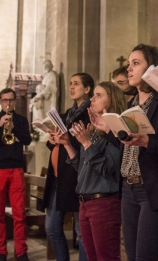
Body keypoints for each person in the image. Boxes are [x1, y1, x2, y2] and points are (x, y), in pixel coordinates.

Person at [120, 44, 158, 261]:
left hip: (154, 188)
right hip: (128, 187)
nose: (129, 69)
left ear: (152, 69)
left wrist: (148, 143)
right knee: (132, 256)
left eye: (135, 63)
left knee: (145, 257)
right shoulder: (131, 104)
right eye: (129, 64)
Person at [55, 81, 126, 261]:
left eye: (99, 95)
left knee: (106, 257)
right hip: (85, 202)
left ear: (111, 101)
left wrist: (86, 143)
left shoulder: (118, 131)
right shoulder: (94, 131)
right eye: (93, 95)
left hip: (103, 203)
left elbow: (108, 169)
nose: (92, 99)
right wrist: (68, 145)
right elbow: (83, 168)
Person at [43, 73, 93, 261]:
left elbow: (84, 144)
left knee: (82, 231)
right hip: (58, 177)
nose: (71, 87)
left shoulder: (89, 115)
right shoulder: (65, 115)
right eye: (70, 83)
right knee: (52, 227)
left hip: (76, 177)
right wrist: (51, 139)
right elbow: (56, 144)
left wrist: (65, 140)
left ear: (87, 89)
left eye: (76, 84)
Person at [0, 88, 32, 261]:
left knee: (19, 214)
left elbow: (27, 140)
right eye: (5, 100)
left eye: (11, 100)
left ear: (15, 102)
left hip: (16, 169)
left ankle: (21, 252)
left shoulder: (21, 120)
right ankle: (1, 252)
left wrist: (13, 128)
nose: (8, 103)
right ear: (0, 101)